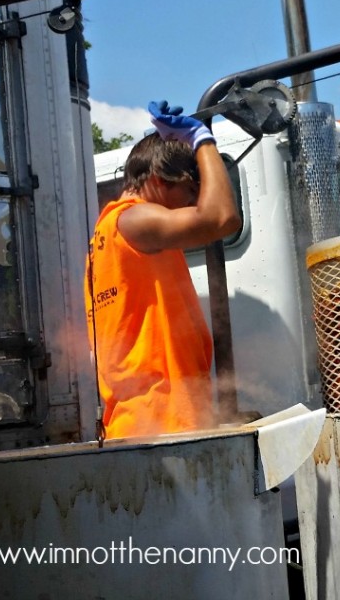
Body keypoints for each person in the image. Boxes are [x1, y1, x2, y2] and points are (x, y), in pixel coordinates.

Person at [85, 101, 242, 440]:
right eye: (188, 193)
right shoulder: (133, 219)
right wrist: (202, 139)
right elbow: (222, 218)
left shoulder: (106, 234)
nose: (190, 205)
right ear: (159, 179)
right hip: (161, 423)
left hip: (140, 423)